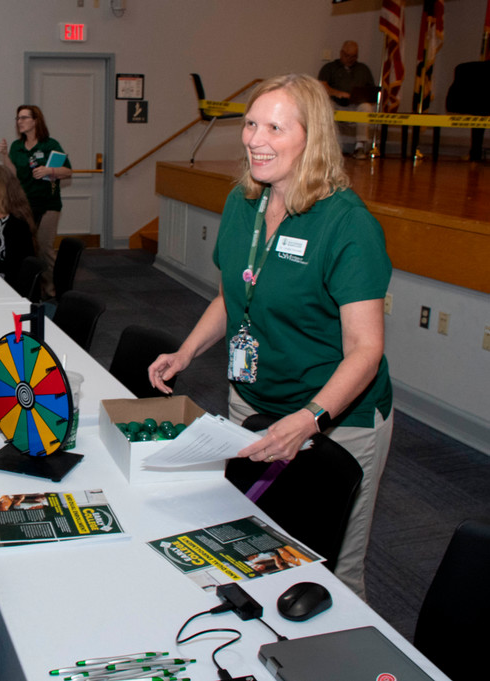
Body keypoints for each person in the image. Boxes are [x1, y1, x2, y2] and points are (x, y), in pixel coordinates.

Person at [147, 74, 393, 600]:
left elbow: (366, 350)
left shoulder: (348, 225)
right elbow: (232, 295)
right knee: (252, 544)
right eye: (251, 123)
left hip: (335, 420)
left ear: (313, 137)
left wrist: (309, 420)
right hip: (253, 403)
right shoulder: (243, 202)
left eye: (275, 127)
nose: (256, 139)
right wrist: (186, 351)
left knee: (331, 571)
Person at [0, 104, 72, 298]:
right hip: (24, 206)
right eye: (18, 118)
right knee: (28, 249)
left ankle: (52, 291)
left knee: (44, 248)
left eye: (24, 118)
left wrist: (50, 171)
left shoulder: (50, 145)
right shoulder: (17, 146)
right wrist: (5, 157)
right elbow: (14, 174)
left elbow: (68, 171)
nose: (20, 122)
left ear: (35, 121)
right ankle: (34, 289)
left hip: (48, 204)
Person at [317, 40, 376, 159]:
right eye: (347, 56)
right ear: (341, 53)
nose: (350, 59)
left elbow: (371, 90)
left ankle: (360, 146)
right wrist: (337, 93)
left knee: (366, 107)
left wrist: (363, 97)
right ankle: (333, 147)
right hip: (336, 103)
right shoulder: (330, 68)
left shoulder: (363, 69)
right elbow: (321, 86)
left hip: (355, 104)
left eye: (353, 56)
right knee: (327, 107)